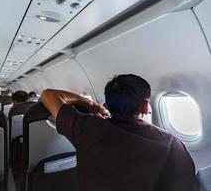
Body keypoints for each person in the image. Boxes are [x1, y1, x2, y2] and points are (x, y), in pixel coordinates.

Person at [41, 74, 195, 191]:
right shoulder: (171, 143)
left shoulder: (87, 128)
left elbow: (48, 95)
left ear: (107, 104)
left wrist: (91, 104)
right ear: (145, 107)